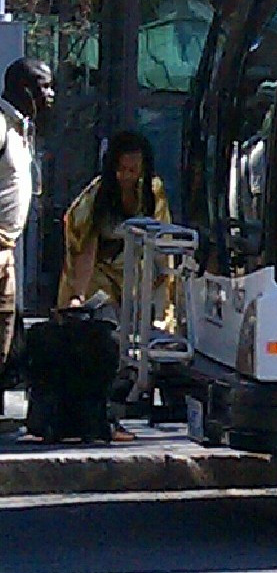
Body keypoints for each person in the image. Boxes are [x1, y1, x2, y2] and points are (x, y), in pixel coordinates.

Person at [59, 131, 168, 313]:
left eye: (132, 170)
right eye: (120, 169)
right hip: (100, 275)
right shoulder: (97, 194)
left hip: (141, 276)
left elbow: (162, 247)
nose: (126, 176)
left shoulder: (154, 192)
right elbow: (85, 247)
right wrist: (77, 297)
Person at [0, 61, 49, 389]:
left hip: (8, 248)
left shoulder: (22, 128)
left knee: (4, 333)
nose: (51, 95)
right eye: (44, 87)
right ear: (24, 90)